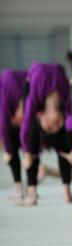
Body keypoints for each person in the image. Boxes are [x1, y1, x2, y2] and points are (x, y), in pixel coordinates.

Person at [20, 62, 72, 205]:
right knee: (32, 142)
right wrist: (27, 152)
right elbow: (25, 127)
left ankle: (67, 192)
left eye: (51, 126)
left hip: (41, 73)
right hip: (31, 78)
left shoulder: (64, 104)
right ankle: (32, 193)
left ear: (41, 116)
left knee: (63, 145)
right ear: (39, 115)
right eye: (55, 126)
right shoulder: (39, 103)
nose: (56, 125)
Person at [0, 69, 27, 203]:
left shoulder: (5, 87)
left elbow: (3, 123)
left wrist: (8, 151)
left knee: (17, 151)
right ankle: (23, 189)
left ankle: (21, 190)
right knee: (21, 151)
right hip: (20, 111)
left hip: (21, 113)